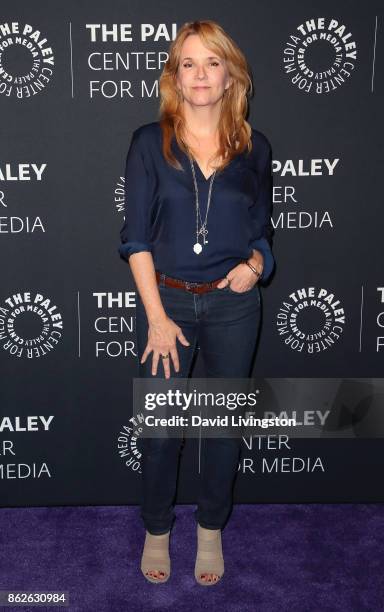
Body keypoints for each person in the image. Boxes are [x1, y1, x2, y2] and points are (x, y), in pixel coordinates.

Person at [118, 19, 275, 586]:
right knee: (161, 433)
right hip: (170, 307)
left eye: (213, 62)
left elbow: (261, 236)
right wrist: (156, 318)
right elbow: (135, 238)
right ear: (175, 77)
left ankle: (210, 531)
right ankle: (157, 529)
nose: (202, 74)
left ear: (231, 73)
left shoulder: (255, 147)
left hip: (234, 309)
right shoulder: (148, 142)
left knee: (223, 430)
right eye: (189, 63)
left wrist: (254, 267)